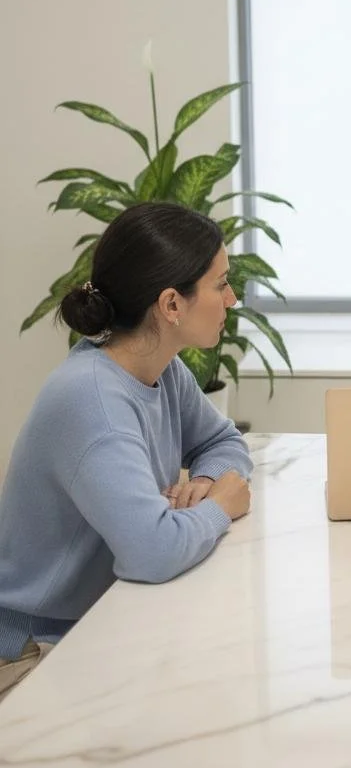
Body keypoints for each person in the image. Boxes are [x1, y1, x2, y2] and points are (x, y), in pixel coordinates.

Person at [0, 202, 253, 700]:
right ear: (171, 305)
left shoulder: (159, 368)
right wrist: (222, 504)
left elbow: (222, 440)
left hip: (95, 620)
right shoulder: (91, 401)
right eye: (221, 284)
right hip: (32, 652)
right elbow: (152, 552)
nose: (233, 299)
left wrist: (205, 481)